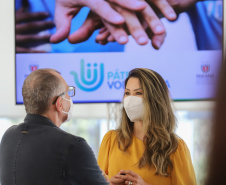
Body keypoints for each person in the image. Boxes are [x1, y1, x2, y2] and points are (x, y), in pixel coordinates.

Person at [0, 68, 108, 185]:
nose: (70, 99)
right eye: (68, 93)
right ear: (59, 103)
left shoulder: (9, 136)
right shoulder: (73, 145)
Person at [98, 68, 197, 185]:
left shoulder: (175, 148)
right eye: (127, 93)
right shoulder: (111, 140)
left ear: (155, 99)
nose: (130, 99)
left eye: (138, 93)